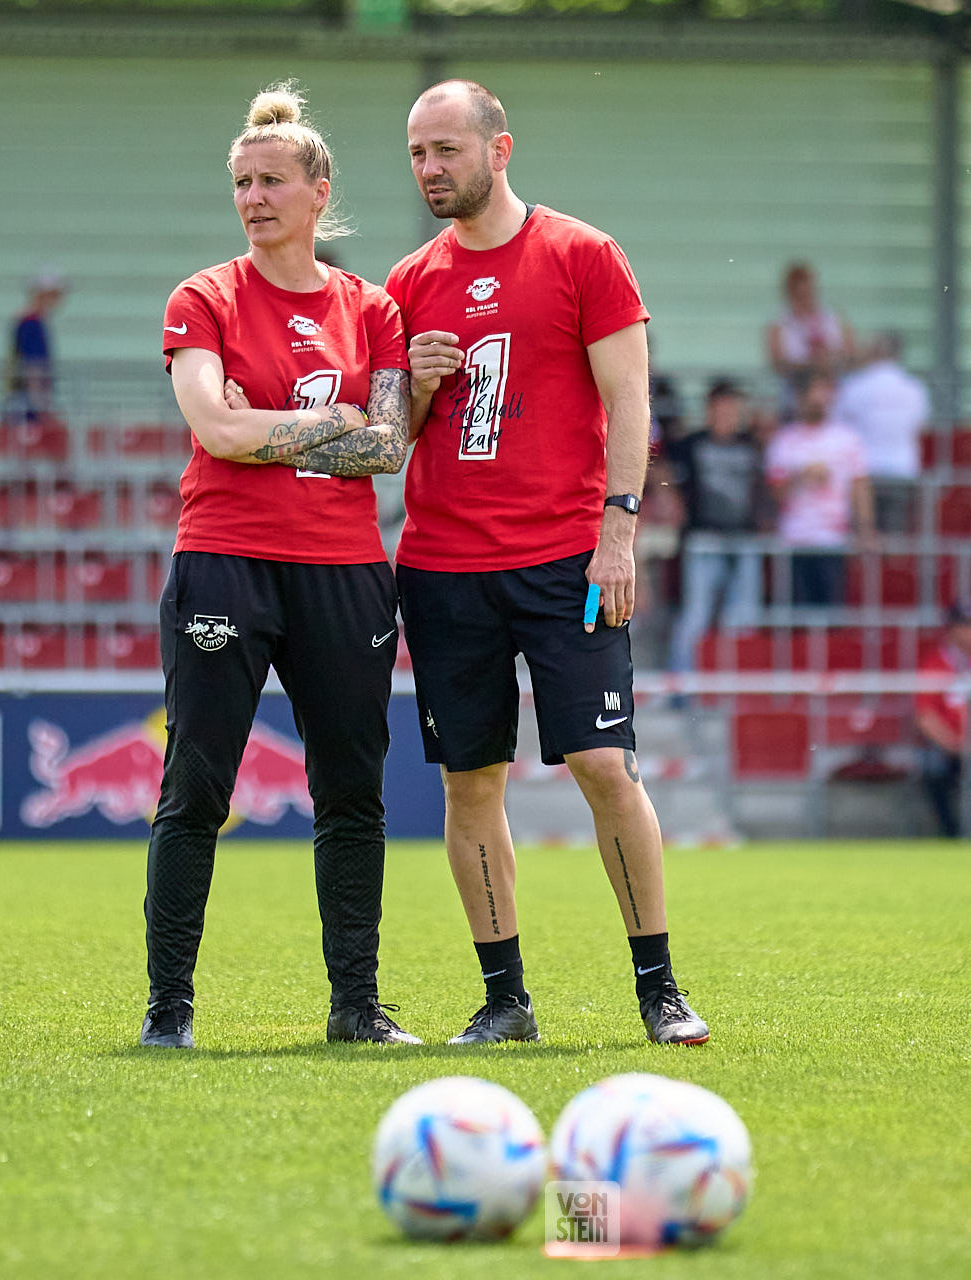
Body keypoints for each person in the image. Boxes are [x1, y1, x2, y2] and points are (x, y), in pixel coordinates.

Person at [390, 79, 708, 1046]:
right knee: (469, 782)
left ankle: (658, 988)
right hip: (443, 566)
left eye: (447, 150)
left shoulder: (583, 255)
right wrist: (414, 384)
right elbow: (387, 438)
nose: (431, 170)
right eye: (416, 154)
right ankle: (504, 1001)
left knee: (605, 765)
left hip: (568, 558)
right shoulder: (406, 284)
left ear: (501, 148)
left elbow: (631, 402)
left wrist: (621, 530)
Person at [141, 84, 416, 1051]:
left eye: (272, 181)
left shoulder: (373, 310)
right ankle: (168, 1012)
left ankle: (356, 1008)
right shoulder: (203, 298)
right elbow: (211, 427)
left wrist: (284, 433)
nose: (254, 197)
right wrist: (325, 426)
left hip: (343, 569)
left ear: (318, 190)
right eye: (242, 183)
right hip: (223, 561)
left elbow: (388, 448)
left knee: (352, 792)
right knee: (197, 787)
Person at [665, 379, 766, 673]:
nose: (727, 416)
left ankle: (733, 689)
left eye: (733, 409)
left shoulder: (752, 445)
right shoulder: (691, 444)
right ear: (710, 410)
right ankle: (682, 687)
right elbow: (662, 470)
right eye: (722, 409)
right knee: (695, 617)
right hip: (703, 541)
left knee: (744, 618)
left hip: (744, 540)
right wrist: (672, 500)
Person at [764, 372, 874, 606]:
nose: (818, 399)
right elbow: (775, 492)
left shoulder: (848, 439)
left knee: (832, 618)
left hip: (834, 540)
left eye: (824, 392)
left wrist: (866, 529)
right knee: (797, 620)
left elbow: (860, 487)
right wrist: (801, 477)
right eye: (813, 393)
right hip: (795, 540)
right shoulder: (784, 440)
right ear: (800, 397)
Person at [913, 602, 971, 838]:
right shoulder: (934, 664)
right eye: (964, 626)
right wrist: (957, 746)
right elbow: (925, 716)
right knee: (933, 769)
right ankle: (952, 836)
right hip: (950, 751)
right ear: (951, 630)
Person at [833, 331, 928, 532]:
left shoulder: (855, 386)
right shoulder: (914, 387)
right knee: (894, 534)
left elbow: (839, 424)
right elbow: (920, 423)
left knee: (863, 533)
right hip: (902, 466)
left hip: (864, 468)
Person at [765, 262, 853, 411]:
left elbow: (850, 353)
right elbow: (777, 362)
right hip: (796, 389)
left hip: (832, 383)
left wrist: (829, 358)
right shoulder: (780, 324)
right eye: (799, 294)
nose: (805, 298)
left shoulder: (831, 317)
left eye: (808, 292)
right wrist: (810, 364)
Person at [3, 269, 66, 425]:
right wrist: (42, 410)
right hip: (26, 410)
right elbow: (34, 370)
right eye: (55, 295)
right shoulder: (31, 324)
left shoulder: (29, 322)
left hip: (22, 405)